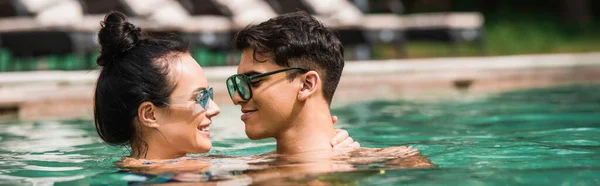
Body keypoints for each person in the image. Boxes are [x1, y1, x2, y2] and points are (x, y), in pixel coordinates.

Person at [92, 11, 357, 165]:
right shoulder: (160, 175)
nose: (223, 106)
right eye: (200, 97)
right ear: (149, 114)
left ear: (307, 84)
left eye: (253, 81)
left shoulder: (212, 169)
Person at [228, 11, 434, 164]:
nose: (237, 97)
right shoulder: (235, 166)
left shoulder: (401, 162)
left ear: (307, 84)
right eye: (236, 83)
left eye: (253, 80)